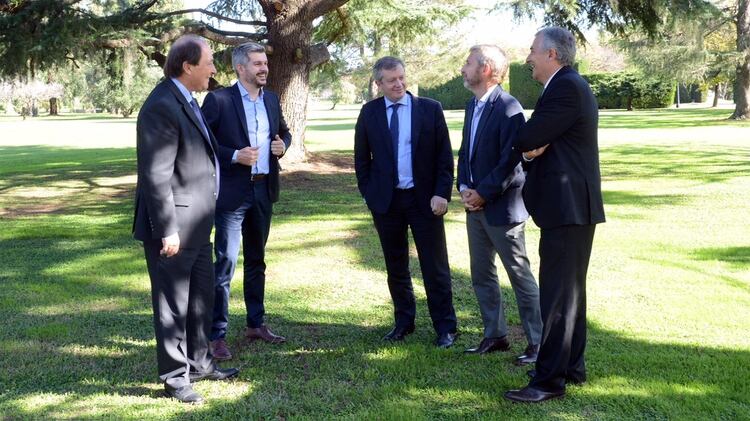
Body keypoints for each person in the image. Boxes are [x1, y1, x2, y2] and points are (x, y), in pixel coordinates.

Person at [133, 35, 239, 405]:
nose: (214, 69)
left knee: (199, 299)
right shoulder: (162, 105)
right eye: (209, 62)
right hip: (175, 227)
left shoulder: (186, 100)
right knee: (173, 303)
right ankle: (176, 377)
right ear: (187, 66)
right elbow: (155, 174)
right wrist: (168, 230)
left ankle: (201, 362)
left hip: (197, 223)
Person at [504, 27, 605, 403]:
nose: (528, 57)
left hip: (568, 208)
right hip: (571, 208)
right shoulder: (568, 85)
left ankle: (548, 382)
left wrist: (527, 148)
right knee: (570, 294)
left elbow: (527, 136)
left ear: (552, 55)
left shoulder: (565, 87)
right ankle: (571, 367)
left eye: (532, 51)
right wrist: (532, 152)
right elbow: (535, 143)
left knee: (559, 298)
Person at [354, 56, 458, 348]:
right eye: (391, 80)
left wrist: (442, 193)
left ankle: (446, 327)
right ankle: (403, 323)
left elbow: (444, 157)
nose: (399, 84)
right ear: (379, 84)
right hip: (387, 203)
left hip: (424, 200)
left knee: (434, 265)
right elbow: (362, 159)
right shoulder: (369, 112)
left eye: (401, 77)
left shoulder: (430, 109)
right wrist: (368, 193)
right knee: (396, 265)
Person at [201, 42, 291, 360]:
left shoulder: (270, 99)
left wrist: (283, 145)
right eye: (256, 63)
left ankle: (256, 324)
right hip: (231, 195)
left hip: (264, 191)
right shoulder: (219, 100)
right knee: (225, 263)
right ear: (241, 68)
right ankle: (216, 336)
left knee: (257, 261)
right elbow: (201, 143)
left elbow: (284, 133)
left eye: (264, 62)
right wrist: (234, 155)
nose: (263, 68)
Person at [457, 45, 542, 362]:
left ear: (486, 69)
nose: (463, 69)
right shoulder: (471, 105)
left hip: (503, 209)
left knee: (519, 276)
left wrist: (483, 193)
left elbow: (511, 161)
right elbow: (467, 152)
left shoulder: (509, 107)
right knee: (481, 275)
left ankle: (538, 342)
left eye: (468, 63)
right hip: (474, 207)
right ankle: (495, 336)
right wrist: (465, 187)